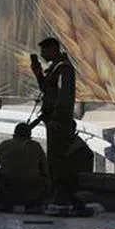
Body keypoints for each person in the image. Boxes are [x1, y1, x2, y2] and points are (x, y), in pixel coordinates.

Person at [31, 36, 84, 211]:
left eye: (44, 52)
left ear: (53, 49)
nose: (43, 55)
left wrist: (56, 118)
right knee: (53, 157)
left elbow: (64, 97)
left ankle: (61, 193)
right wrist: (38, 73)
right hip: (53, 120)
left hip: (58, 122)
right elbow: (47, 91)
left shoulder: (64, 69)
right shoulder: (55, 68)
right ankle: (56, 191)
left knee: (58, 158)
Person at [0, 122, 49, 211]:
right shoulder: (36, 146)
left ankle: (1, 200)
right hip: (32, 190)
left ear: (14, 134)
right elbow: (45, 170)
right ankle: (35, 203)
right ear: (29, 135)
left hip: (7, 187)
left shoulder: (5, 144)